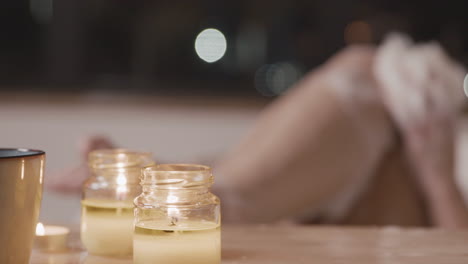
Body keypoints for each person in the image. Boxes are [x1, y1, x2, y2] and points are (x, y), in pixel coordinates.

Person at [46, 34, 468, 228]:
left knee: (369, 77)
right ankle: (180, 187)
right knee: (370, 73)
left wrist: (439, 182)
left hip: (419, 208)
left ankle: (190, 198)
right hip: (362, 200)